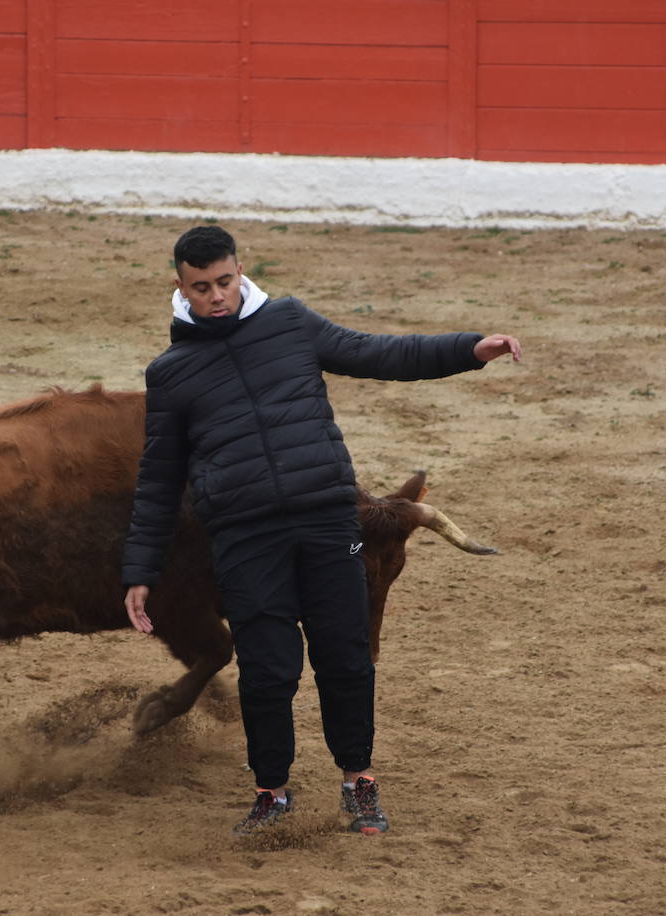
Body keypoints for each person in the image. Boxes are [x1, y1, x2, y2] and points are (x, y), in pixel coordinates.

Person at [121, 225, 522, 836]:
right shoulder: (171, 373)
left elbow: (377, 353)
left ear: (240, 272)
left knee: (345, 657)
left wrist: (469, 350)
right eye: (201, 288)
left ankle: (359, 784)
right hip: (245, 539)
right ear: (180, 286)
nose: (217, 296)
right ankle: (271, 795)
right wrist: (140, 570)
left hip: (328, 521)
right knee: (267, 671)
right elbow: (158, 478)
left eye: (225, 282)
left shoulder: (289, 322)